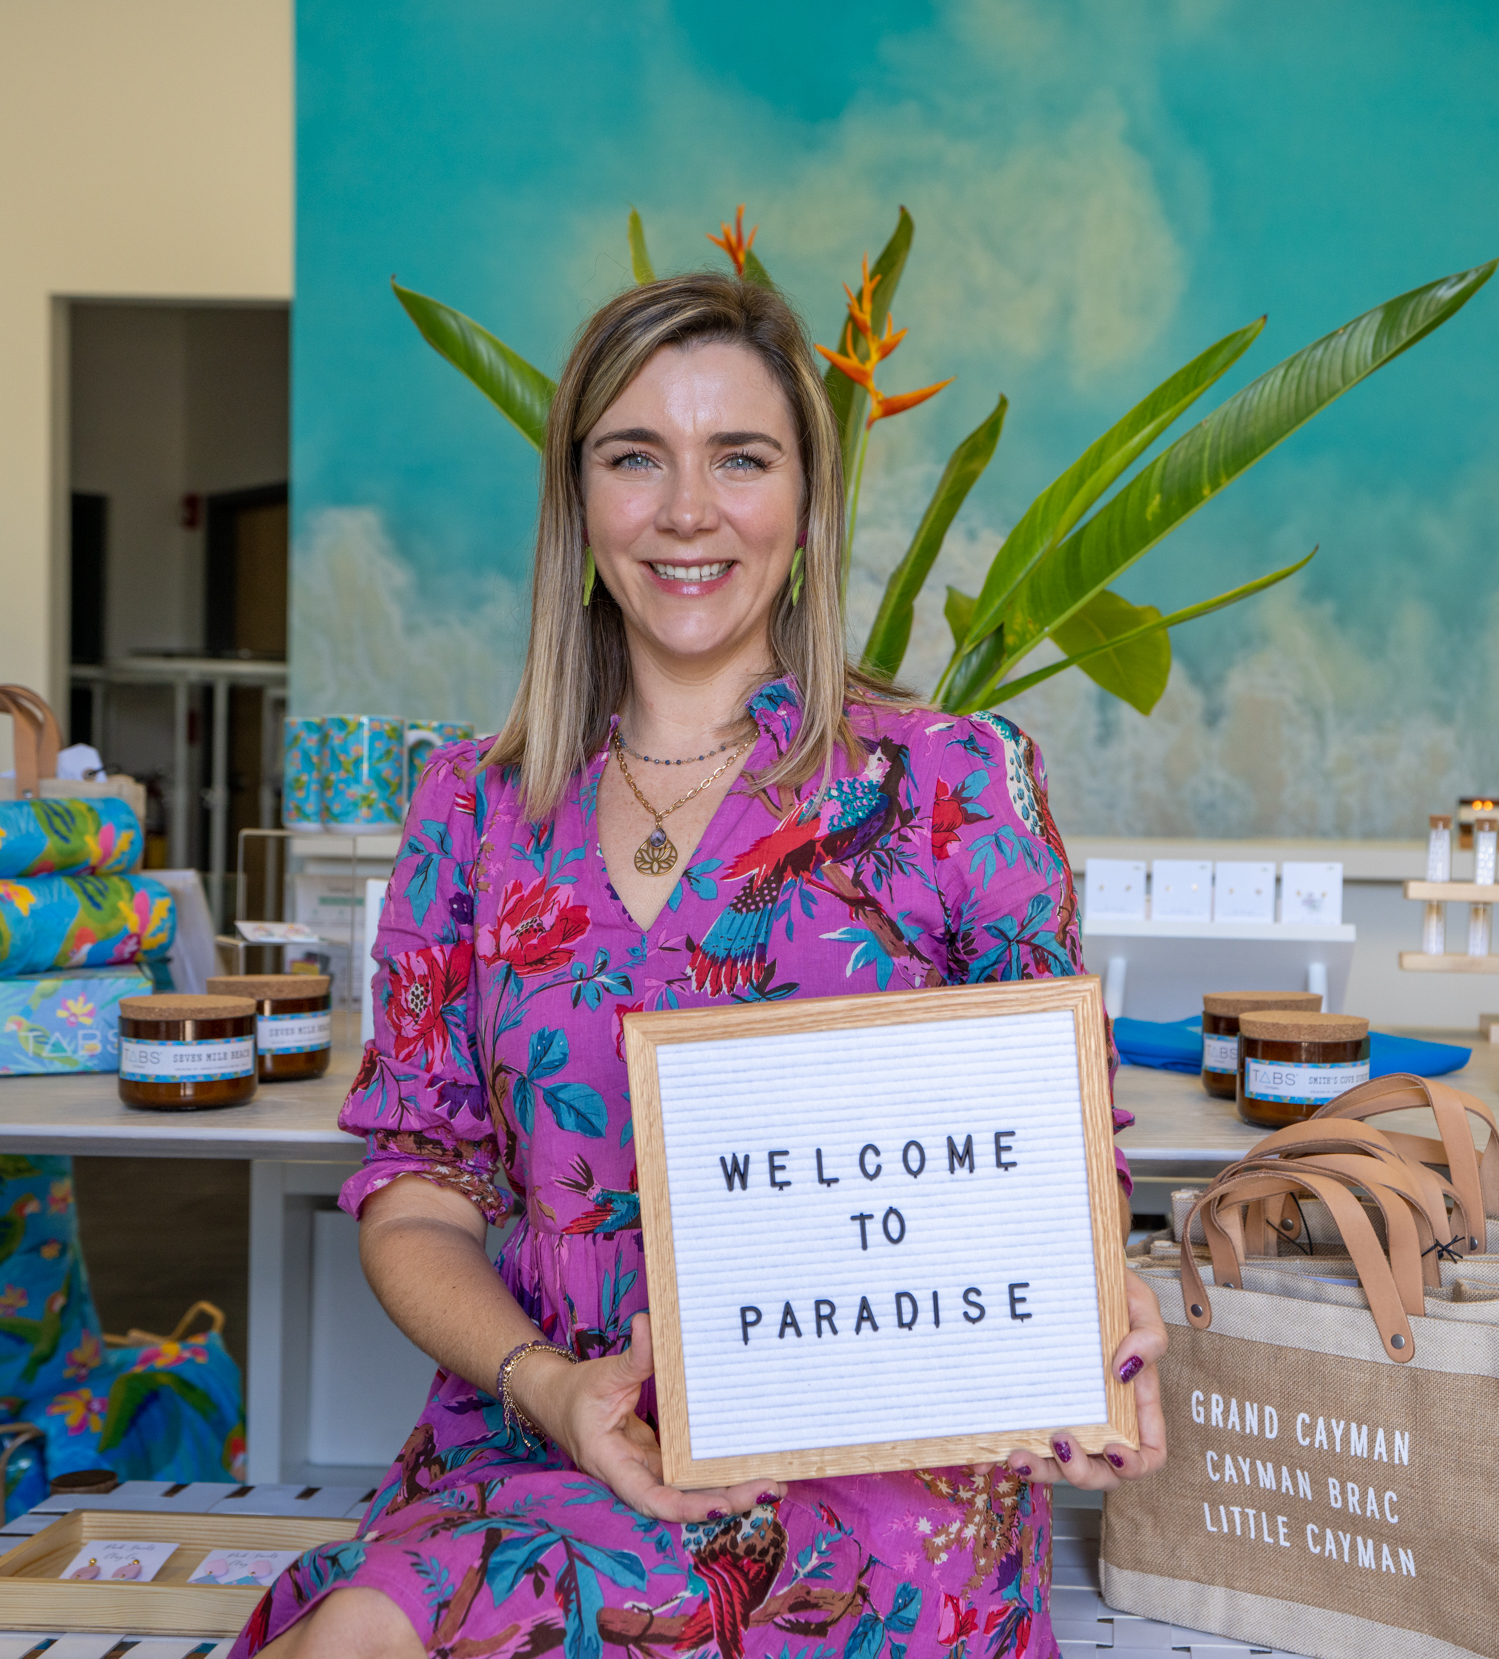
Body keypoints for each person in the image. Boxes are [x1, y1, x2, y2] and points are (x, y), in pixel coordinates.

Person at [241, 272, 1168, 1658]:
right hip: (554, 1453)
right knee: (356, 1638)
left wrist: (1102, 1324)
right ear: (579, 500)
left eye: (741, 458)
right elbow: (416, 1191)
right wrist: (555, 1394)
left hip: (881, 1489)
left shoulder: (956, 784)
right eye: (636, 457)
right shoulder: (469, 809)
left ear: (805, 503)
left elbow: (1051, 1157)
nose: (688, 510)